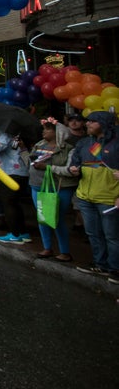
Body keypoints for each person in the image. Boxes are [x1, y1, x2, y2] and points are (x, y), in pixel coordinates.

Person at [68, 110, 119, 282]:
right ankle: (100, 264)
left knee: (112, 235)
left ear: (104, 124)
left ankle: (115, 269)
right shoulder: (84, 143)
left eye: (92, 122)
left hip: (109, 198)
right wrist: (73, 170)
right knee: (93, 233)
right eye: (87, 121)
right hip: (85, 197)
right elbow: (75, 163)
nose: (87, 124)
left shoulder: (116, 144)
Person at [29, 119, 76, 262]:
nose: (43, 131)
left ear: (58, 133)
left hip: (59, 187)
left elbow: (70, 171)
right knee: (42, 217)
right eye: (43, 129)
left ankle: (65, 251)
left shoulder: (69, 149)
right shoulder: (38, 145)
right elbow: (30, 163)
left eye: (47, 129)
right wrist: (25, 151)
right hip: (37, 185)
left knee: (57, 218)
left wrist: (48, 168)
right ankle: (47, 247)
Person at [0, 130, 32, 245]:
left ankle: (15, 234)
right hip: (22, 173)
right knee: (15, 204)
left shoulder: (5, 133)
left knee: (9, 204)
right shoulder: (20, 134)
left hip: (10, 173)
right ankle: (22, 233)